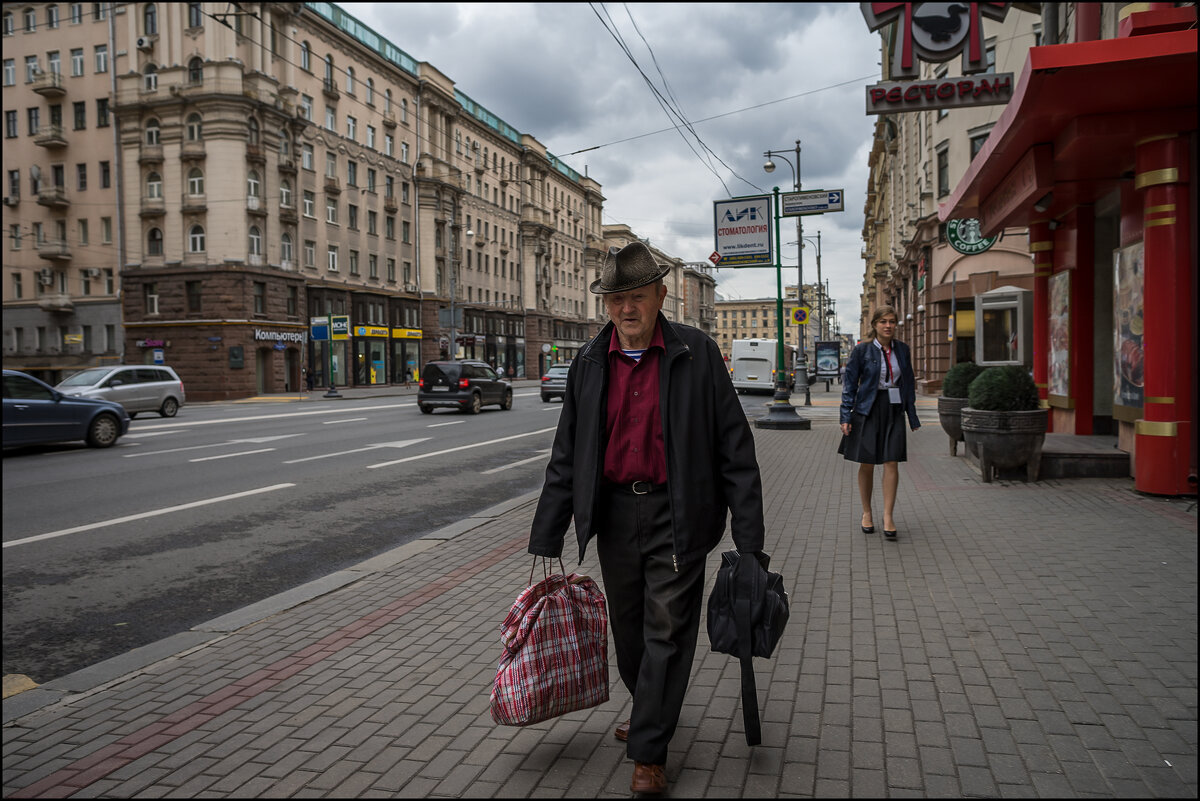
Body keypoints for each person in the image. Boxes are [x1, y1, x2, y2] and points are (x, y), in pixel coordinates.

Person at [528, 241, 765, 796]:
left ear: (660, 296)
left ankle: (649, 750)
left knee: (667, 629)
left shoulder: (696, 352)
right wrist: (548, 530)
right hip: (612, 514)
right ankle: (650, 709)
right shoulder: (589, 360)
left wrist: (749, 537)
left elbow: (735, 445)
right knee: (629, 632)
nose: (626, 309)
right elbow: (568, 452)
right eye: (615, 300)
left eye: (636, 297)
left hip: (677, 512)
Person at [838, 306, 920, 539]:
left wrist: (911, 416)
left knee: (891, 461)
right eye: (883, 321)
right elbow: (850, 385)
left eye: (892, 321)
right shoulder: (862, 351)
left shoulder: (902, 350)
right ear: (874, 325)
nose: (888, 326)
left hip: (894, 409)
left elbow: (908, 383)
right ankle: (866, 512)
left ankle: (888, 516)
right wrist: (845, 415)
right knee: (867, 463)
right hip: (868, 410)